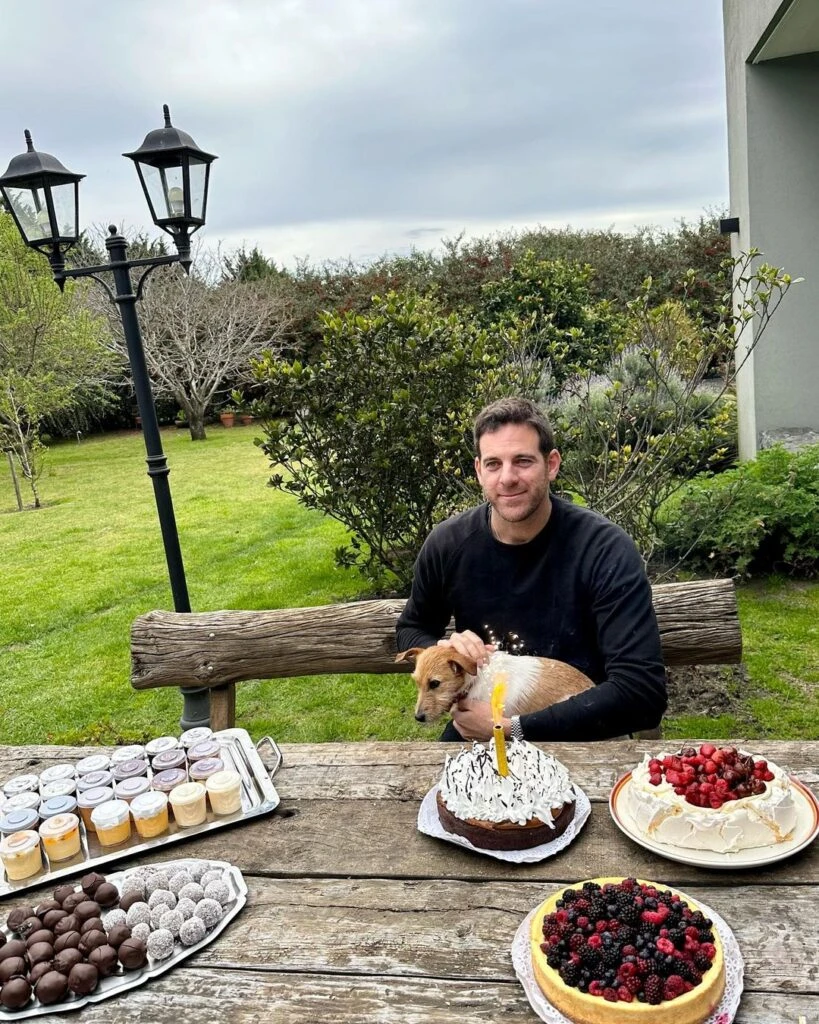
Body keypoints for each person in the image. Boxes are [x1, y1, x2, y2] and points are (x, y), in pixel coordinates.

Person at [395, 396, 667, 742]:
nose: (507, 478)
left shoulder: (604, 549)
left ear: (551, 464)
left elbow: (643, 693)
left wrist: (510, 728)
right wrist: (444, 648)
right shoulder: (449, 543)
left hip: (584, 729)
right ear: (479, 471)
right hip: (479, 723)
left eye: (522, 461)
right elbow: (411, 627)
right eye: (493, 464)